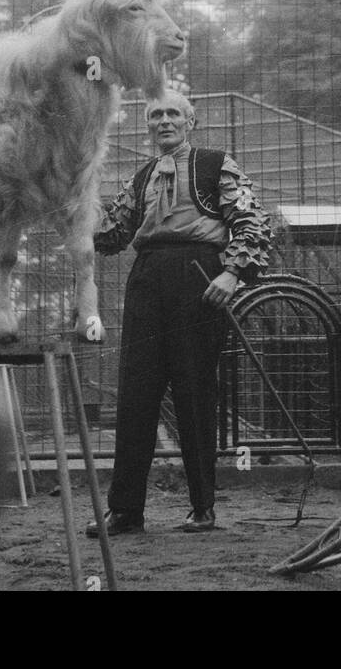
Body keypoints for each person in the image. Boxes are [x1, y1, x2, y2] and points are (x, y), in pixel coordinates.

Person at [87, 91, 272, 536]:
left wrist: (230, 273)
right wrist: (77, 209)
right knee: (135, 396)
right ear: (148, 126)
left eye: (173, 114)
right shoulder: (142, 177)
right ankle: (126, 512)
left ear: (190, 121)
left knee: (193, 394)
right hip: (147, 281)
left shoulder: (215, 164)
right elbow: (111, 236)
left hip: (199, 280)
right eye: (155, 115)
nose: (164, 121)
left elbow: (253, 222)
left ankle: (202, 508)